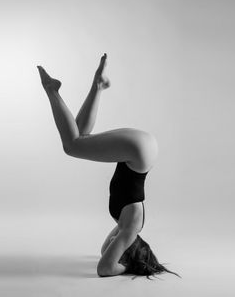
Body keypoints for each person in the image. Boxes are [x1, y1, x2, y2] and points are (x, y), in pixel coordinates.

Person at [37, 53, 179, 279]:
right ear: (130, 253)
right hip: (138, 153)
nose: (114, 243)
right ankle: (51, 89)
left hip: (141, 150)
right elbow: (105, 268)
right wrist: (128, 267)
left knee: (80, 137)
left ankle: (98, 86)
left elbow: (104, 251)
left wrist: (120, 253)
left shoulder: (127, 228)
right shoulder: (131, 229)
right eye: (123, 253)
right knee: (71, 146)